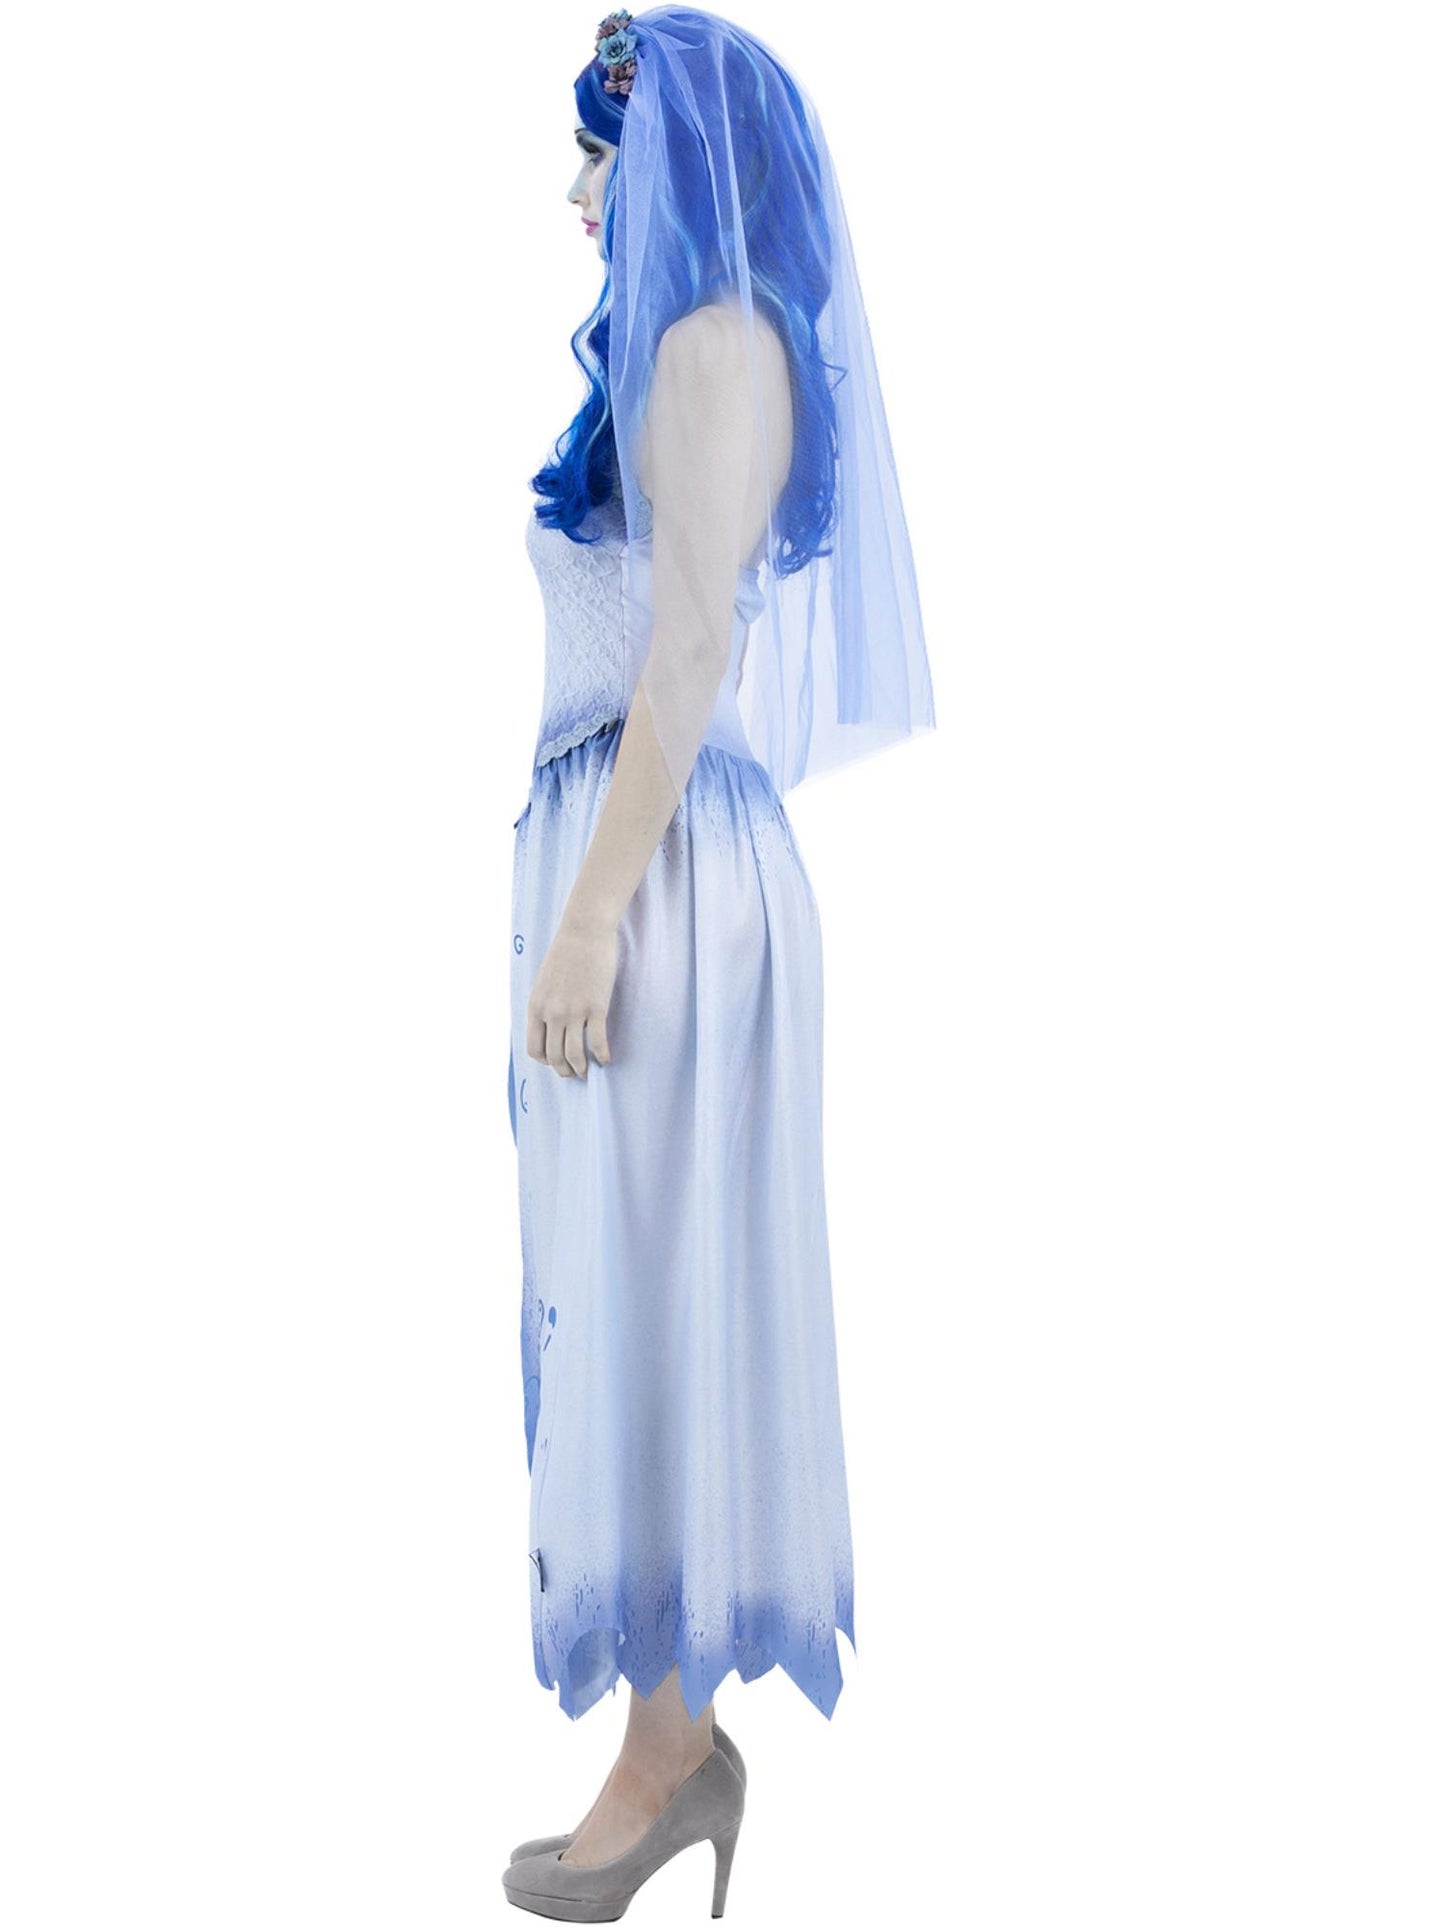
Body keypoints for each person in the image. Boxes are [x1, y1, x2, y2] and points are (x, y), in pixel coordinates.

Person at [502, 10, 935, 1915]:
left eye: (600, 151)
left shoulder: (708, 346)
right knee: (635, 1278)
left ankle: (669, 1754)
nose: (576, 190)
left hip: (663, 883)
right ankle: (662, 1739)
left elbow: (688, 654)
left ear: (680, 157)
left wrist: (593, 911)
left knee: (656, 1280)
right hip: (653, 863)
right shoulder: (685, 343)